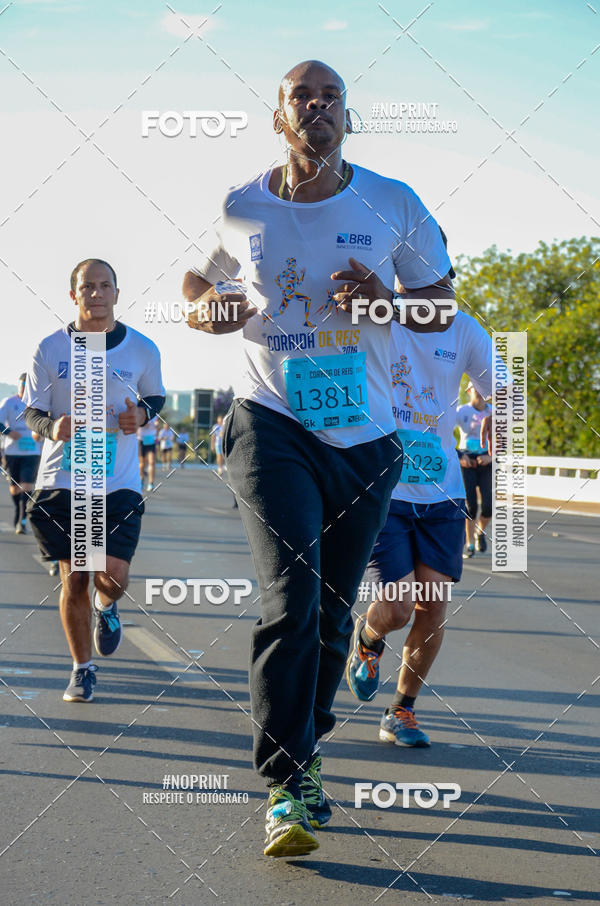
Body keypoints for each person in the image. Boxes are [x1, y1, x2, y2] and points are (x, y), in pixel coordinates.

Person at [183, 60, 453, 857]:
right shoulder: (244, 204)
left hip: (364, 435)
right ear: (279, 118)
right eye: (302, 96)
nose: (318, 107)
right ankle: (286, 782)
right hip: (270, 423)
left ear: (348, 116)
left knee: (333, 611)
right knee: (290, 597)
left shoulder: (392, 201)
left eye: (332, 97)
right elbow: (203, 279)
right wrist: (207, 310)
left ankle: (307, 750)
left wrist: (384, 300)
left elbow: (438, 307)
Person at [345, 306, 496, 747]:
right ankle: (369, 636)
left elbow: (505, 386)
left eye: (438, 275)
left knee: (432, 608)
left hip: (443, 492)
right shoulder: (371, 315)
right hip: (385, 490)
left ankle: (401, 711)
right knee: (397, 608)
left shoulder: (463, 328)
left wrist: (500, 411)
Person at [24, 258, 165, 703]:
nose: (97, 294)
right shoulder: (49, 349)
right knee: (75, 578)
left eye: (105, 286)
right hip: (66, 478)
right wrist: (53, 428)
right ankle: (82, 669)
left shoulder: (142, 349)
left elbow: (155, 397)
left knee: (112, 576)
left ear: (117, 294)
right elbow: (32, 412)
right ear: (74, 295)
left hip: (118, 478)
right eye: (88, 287)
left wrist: (140, 415)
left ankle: (108, 606)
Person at [0, 373, 42, 534]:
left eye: (27, 386)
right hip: (12, 451)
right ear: (19, 386)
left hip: (32, 452)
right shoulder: (9, 403)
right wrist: (9, 432)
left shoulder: (38, 403)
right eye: (22, 386)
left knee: (26, 486)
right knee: (15, 489)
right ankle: (18, 511)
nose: (24, 389)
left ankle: (22, 520)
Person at [456, 383, 493, 557]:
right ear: (469, 392)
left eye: (481, 388)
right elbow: (445, 432)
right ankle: (469, 544)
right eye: (475, 389)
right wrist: (459, 456)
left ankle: (480, 531)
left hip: (486, 459)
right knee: (470, 506)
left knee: (488, 506)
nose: (478, 392)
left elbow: (504, 438)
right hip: (467, 460)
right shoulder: (461, 411)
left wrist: (491, 457)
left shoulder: (494, 412)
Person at [137, 415, 158, 491]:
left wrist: (157, 426)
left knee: (152, 462)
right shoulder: (139, 410)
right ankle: (141, 481)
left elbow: (156, 426)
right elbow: (139, 425)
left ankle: (151, 483)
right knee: (142, 463)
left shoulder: (154, 414)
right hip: (141, 440)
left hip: (151, 440)